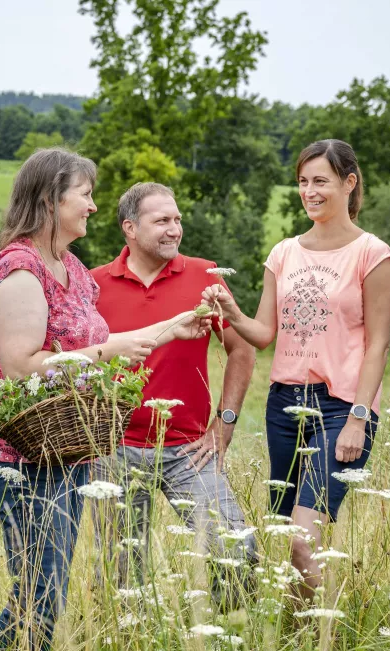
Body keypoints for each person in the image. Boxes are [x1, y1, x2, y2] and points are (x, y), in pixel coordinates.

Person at [0, 148, 210, 651]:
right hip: (20, 453)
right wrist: (106, 354)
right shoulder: (20, 268)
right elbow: (20, 365)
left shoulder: (73, 270)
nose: (93, 207)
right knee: (39, 586)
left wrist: (172, 327)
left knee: (48, 587)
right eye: (84, 195)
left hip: (64, 448)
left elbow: (100, 341)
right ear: (49, 201)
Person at [203, 139, 390, 600]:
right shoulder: (283, 252)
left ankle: (325, 641)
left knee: (302, 540)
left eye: (321, 182)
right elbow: (264, 333)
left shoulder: (373, 254)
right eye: (303, 182)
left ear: (349, 184)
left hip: (340, 409)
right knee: (289, 541)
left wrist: (359, 416)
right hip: (284, 405)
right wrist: (230, 311)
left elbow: (378, 345)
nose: (309, 191)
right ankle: (300, 640)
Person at [89, 182, 257, 607]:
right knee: (121, 574)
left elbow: (242, 348)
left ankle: (224, 642)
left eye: (177, 219)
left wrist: (226, 422)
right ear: (130, 227)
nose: (174, 229)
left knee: (236, 553)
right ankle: (131, 647)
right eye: (162, 220)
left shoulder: (205, 275)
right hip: (113, 448)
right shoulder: (93, 285)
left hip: (190, 449)